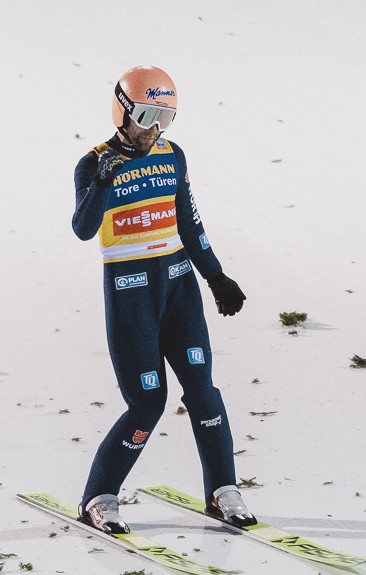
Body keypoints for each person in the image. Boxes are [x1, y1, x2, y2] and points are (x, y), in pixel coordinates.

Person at [70, 65, 256, 534]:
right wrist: (102, 184)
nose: (154, 128)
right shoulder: (93, 162)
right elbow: (83, 229)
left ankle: (223, 489)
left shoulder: (172, 156)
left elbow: (189, 223)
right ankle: (99, 497)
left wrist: (216, 277)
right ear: (122, 111)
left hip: (178, 286)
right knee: (148, 402)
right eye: (147, 115)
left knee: (203, 391)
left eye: (165, 118)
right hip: (130, 293)